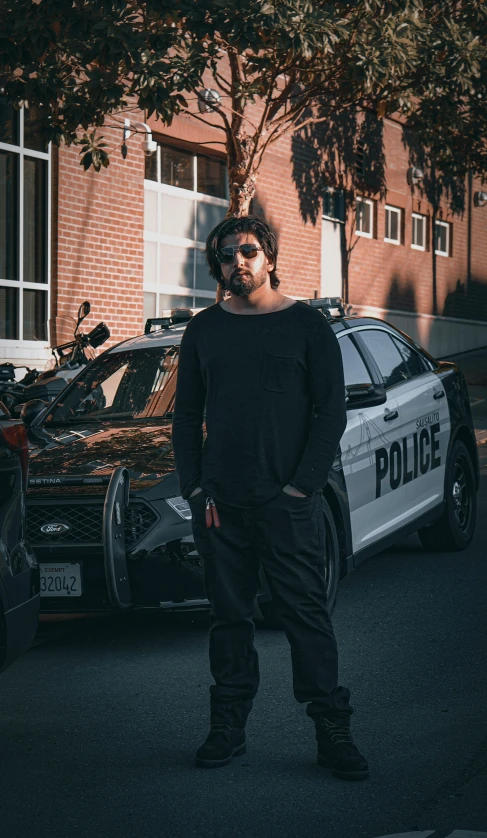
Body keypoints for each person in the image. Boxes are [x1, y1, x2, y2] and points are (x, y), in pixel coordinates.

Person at [172, 215, 369, 780]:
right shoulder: (204, 331)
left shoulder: (308, 327)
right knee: (228, 619)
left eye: (249, 250)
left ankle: (333, 730)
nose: (239, 260)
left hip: (287, 503)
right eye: (227, 254)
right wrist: (193, 487)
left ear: (270, 257)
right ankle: (227, 728)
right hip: (220, 507)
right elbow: (185, 419)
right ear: (218, 265)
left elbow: (330, 415)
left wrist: (299, 488)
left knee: (306, 616)